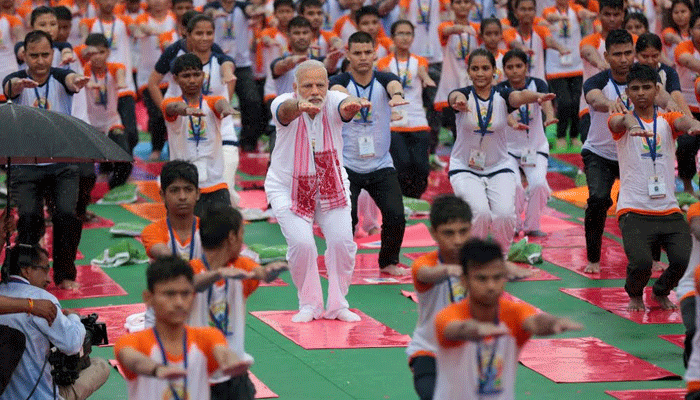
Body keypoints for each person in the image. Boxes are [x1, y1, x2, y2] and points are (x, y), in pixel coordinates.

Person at [265, 59, 371, 323]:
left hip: (330, 185)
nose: (315, 91)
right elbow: (285, 111)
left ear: (328, 85)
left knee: (342, 243)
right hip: (287, 187)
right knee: (303, 244)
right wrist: (298, 107)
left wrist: (351, 106)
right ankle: (309, 305)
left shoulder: (333, 99)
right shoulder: (282, 102)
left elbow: (344, 105)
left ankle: (338, 304)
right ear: (295, 86)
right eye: (308, 85)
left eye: (320, 85)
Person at [447, 48, 552, 278]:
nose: (480, 73)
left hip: (499, 166)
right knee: (481, 213)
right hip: (465, 167)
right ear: (469, 72)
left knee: (505, 214)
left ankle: (501, 259)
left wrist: (536, 97)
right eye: (475, 68)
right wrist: (459, 101)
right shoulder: (461, 94)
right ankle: (473, 260)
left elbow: (518, 97)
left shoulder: (503, 95)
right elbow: (455, 97)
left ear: (494, 71)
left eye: (485, 68)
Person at [432, 238, 582, 400]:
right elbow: (454, 329)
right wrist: (475, 330)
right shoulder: (448, 316)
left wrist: (552, 323)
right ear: (464, 280)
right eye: (482, 279)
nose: (491, 286)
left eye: (497, 278)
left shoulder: (516, 312)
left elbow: (534, 323)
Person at [607, 64, 698, 311]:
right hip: (634, 210)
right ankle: (635, 293)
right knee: (641, 263)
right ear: (627, 92)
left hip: (668, 209)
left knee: (686, 259)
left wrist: (693, 124)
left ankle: (661, 290)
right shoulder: (619, 118)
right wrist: (631, 124)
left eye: (646, 87)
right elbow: (619, 121)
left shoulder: (666, 120)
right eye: (634, 89)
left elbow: (682, 120)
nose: (641, 93)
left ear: (657, 89)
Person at [3, 30, 89, 290]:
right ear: (24, 56)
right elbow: (10, 88)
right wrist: (18, 86)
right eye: (34, 55)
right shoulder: (15, 79)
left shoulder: (61, 76)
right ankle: (25, 275)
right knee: (29, 218)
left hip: (61, 162)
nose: (40, 61)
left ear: (52, 54)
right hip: (25, 164)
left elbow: (71, 80)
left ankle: (64, 274)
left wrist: (77, 81)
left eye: (45, 55)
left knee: (66, 215)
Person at [114, 256, 251, 400]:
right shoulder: (131, 343)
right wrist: (157, 369)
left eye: (185, 294)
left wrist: (231, 362)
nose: (179, 302)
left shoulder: (209, 336)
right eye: (169, 294)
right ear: (148, 298)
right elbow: (134, 361)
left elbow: (221, 352)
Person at [329, 31, 409, 276]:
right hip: (347, 165)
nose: (363, 57)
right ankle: (341, 263)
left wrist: (397, 96)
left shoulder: (385, 79)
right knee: (346, 220)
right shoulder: (339, 81)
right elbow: (339, 91)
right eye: (357, 53)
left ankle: (388, 262)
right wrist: (350, 100)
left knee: (396, 215)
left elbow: (395, 85)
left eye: (367, 52)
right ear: (348, 54)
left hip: (380, 164)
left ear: (375, 54)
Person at [190, 206, 287, 400]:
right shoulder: (189, 270)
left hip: (234, 375)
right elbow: (189, 285)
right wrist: (216, 274)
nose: (243, 241)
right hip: (196, 377)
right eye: (242, 234)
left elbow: (257, 271)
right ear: (232, 237)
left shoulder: (240, 266)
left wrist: (269, 272)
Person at [0, 244, 110, 400]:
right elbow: (72, 345)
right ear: (26, 270)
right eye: (45, 269)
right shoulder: (42, 301)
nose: (49, 279)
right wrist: (73, 318)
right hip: (38, 396)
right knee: (100, 365)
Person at [582, 29, 637, 274]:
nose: (624, 59)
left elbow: (664, 97)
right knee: (598, 200)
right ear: (607, 55)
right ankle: (593, 258)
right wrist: (609, 105)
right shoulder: (597, 81)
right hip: (599, 153)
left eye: (628, 53)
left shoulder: (643, 79)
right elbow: (594, 99)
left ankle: (652, 256)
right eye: (618, 54)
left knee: (642, 205)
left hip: (632, 154)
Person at [407, 194, 472, 400]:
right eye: (449, 233)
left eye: (463, 231)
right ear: (433, 233)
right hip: (429, 353)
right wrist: (451, 270)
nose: (458, 240)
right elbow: (425, 274)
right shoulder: (425, 264)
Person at [162, 53, 237, 215]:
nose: (192, 80)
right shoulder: (170, 102)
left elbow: (220, 102)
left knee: (219, 235)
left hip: (216, 184)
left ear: (204, 76)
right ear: (175, 79)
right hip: (185, 188)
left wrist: (226, 108)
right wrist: (186, 110)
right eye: (186, 76)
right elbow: (172, 108)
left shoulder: (211, 101)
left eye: (196, 75)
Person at [501, 49, 556, 237]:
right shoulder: (500, 89)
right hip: (508, 150)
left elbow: (545, 101)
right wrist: (513, 123)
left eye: (519, 66)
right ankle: (514, 225)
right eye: (510, 67)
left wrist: (549, 117)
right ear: (504, 70)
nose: (515, 71)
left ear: (526, 67)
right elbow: (503, 114)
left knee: (539, 184)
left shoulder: (537, 83)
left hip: (536, 147)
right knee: (514, 186)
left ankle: (532, 225)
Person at [378, 20, 435, 199]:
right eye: (400, 33)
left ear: (413, 37)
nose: (404, 37)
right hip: (395, 122)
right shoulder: (384, 62)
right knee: (401, 164)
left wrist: (426, 79)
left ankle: (416, 197)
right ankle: (403, 199)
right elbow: (385, 76)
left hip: (418, 120)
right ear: (393, 37)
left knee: (421, 166)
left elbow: (423, 72)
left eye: (408, 33)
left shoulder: (419, 60)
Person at [542, 0, 596, 150]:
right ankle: (560, 135)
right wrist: (559, 19)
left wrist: (590, 15)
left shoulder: (575, 9)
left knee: (576, 102)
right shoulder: (549, 10)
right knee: (564, 102)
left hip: (576, 64)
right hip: (556, 66)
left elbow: (582, 13)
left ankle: (573, 135)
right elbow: (550, 17)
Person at [83, 33, 133, 190]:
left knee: (125, 159)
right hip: (89, 125)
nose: (97, 57)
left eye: (101, 52)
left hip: (111, 122)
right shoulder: (83, 69)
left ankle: (113, 187)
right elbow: (83, 75)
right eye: (93, 53)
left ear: (108, 52)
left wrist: (121, 81)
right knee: (84, 170)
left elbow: (120, 72)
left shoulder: (114, 68)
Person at [579, 0, 625, 143]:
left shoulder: (631, 41)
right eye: (607, 14)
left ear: (623, 15)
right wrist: (601, 63)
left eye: (616, 14)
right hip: (591, 107)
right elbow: (588, 51)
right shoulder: (589, 40)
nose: (612, 19)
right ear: (599, 15)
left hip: (624, 106)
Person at [433, 0, 480, 137]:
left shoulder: (477, 28)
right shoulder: (444, 26)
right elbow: (447, 31)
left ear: (471, 5)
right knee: (457, 130)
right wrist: (460, 28)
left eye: (466, 2)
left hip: (472, 83)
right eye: (458, 2)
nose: (463, 6)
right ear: (452, 6)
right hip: (451, 85)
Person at [141, 160, 203, 261]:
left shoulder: (209, 229)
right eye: (174, 190)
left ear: (197, 193)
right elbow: (162, 253)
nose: (182, 197)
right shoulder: (152, 231)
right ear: (163, 195)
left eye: (188, 189)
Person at [270, 16, 341, 96]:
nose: (301, 37)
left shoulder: (318, 61)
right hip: (287, 107)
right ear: (288, 36)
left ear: (311, 35)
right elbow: (280, 66)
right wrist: (291, 61)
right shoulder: (278, 61)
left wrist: (333, 60)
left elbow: (328, 65)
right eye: (297, 33)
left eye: (305, 33)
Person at [502, 0, 570, 82]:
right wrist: (522, 47)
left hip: (539, 83)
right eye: (523, 9)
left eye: (530, 9)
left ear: (535, 12)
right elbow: (513, 43)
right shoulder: (509, 32)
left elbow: (549, 41)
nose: (527, 13)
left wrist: (560, 48)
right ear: (516, 13)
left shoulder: (541, 30)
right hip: (516, 83)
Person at [675, 12, 700, 194]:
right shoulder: (683, 47)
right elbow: (687, 61)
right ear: (690, 30)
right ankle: (687, 184)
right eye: (699, 27)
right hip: (687, 109)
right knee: (685, 146)